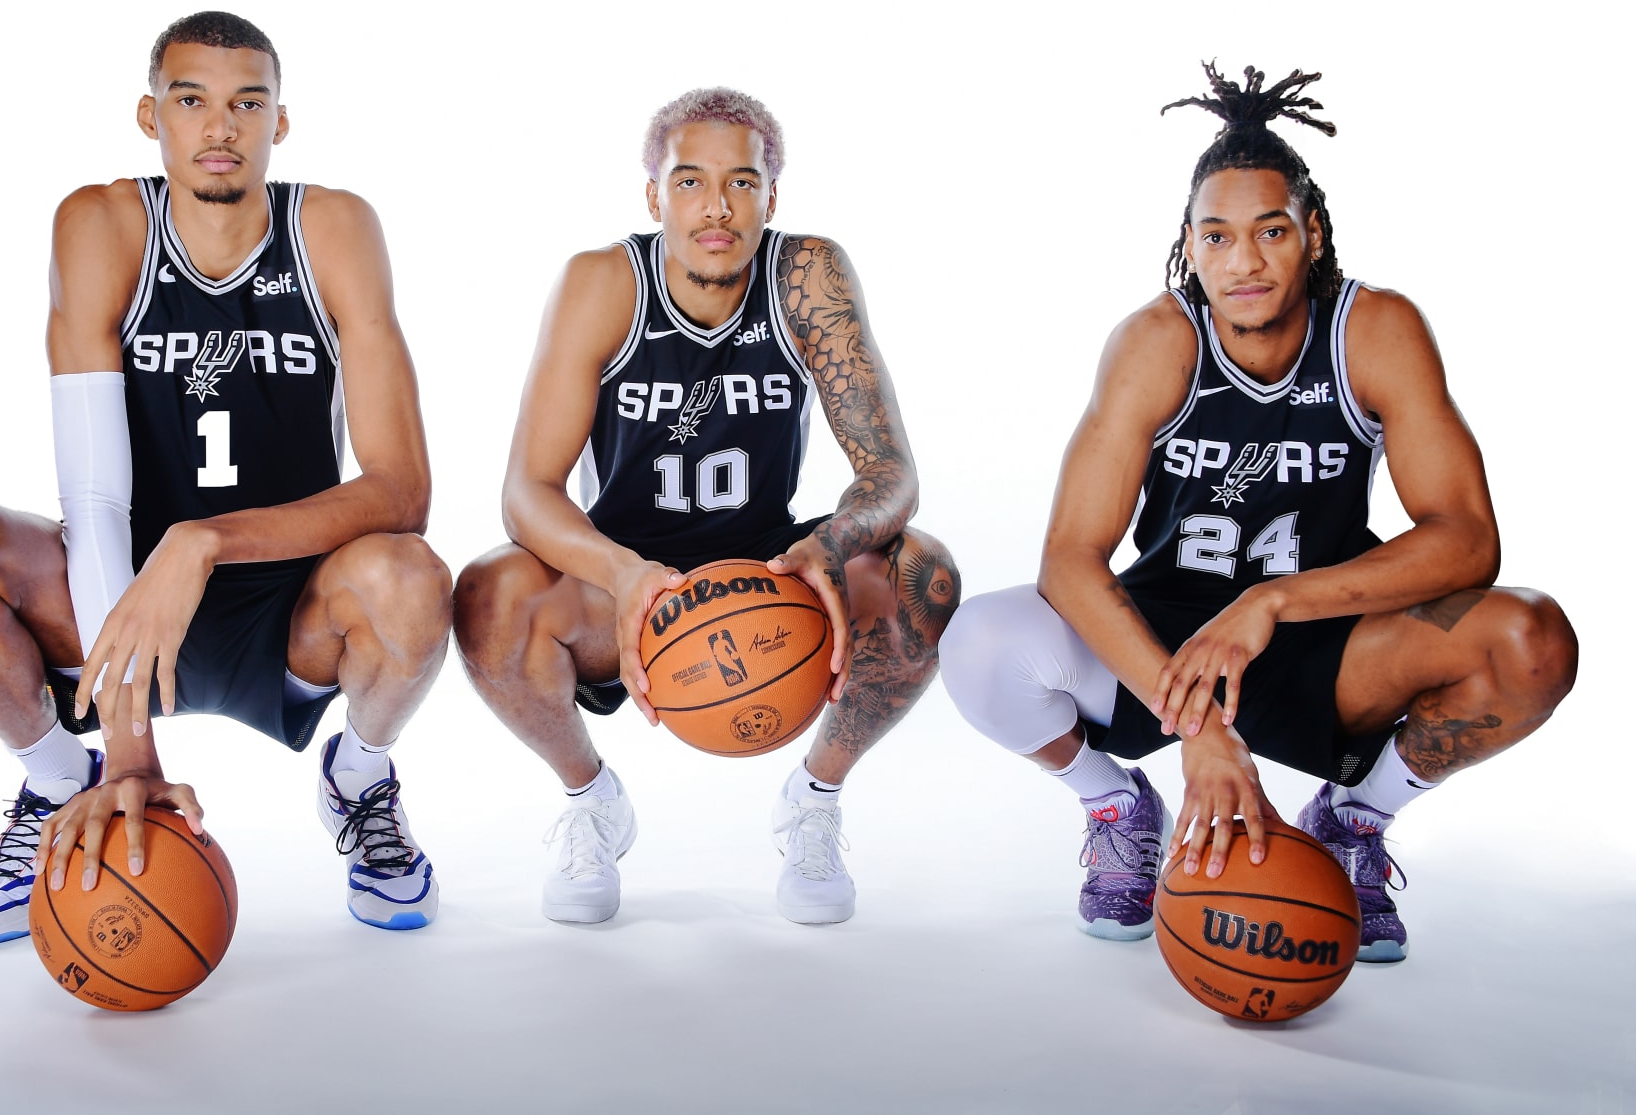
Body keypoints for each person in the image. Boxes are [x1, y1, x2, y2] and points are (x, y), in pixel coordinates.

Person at [939, 63, 1576, 962]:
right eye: (1218, 236)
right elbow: (1070, 559)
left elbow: (1467, 538)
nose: (1243, 261)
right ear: (1190, 247)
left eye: (1270, 230)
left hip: (1326, 641)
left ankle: (1356, 819)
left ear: (1311, 233)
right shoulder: (1157, 342)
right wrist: (1198, 726)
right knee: (977, 640)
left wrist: (1270, 602)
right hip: (1167, 643)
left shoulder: (1373, 331)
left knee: (1530, 640)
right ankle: (1116, 806)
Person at [0, 12, 452, 942]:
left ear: (281, 122)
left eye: (248, 104)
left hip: (290, 610)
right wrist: (127, 754)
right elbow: (94, 499)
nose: (220, 127)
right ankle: (56, 782)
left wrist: (204, 541)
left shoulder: (332, 228)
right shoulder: (102, 222)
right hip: (120, 597)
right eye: (191, 101)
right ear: (151, 116)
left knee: (411, 577)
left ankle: (359, 780)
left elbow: (402, 492)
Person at [453, 88, 958, 925]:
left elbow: (890, 471)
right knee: (487, 593)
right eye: (689, 181)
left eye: (741, 183)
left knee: (924, 576)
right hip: (624, 577)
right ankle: (590, 800)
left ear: (771, 196)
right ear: (654, 196)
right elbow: (525, 491)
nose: (716, 206)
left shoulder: (806, 275)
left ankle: (814, 802)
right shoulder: (603, 282)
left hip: (769, 566)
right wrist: (623, 572)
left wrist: (832, 543)